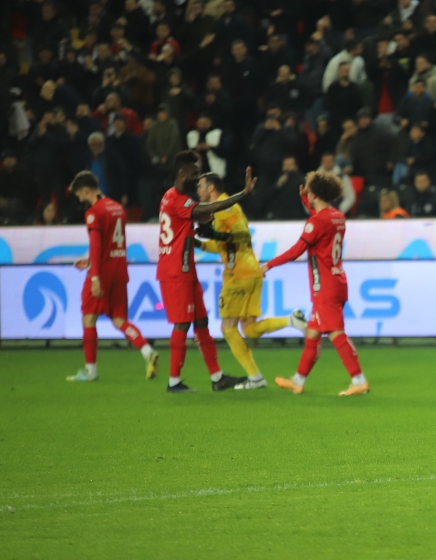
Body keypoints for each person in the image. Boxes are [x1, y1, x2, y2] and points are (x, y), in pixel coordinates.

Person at [195, 172, 307, 390]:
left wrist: (216, 235)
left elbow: (243, 235)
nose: (197, 190)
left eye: (200, 186)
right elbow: (225, 244)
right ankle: (292, 321)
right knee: (250, 329)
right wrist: (199, 244)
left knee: (228, 328)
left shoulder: (224, 207)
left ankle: (255, 378)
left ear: (211, 188)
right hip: (250, 271)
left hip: (239, 275)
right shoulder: (223, 209)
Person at [263, 171, 370, 397]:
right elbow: (319, 220)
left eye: (308, 190)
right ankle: (298, 381)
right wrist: (306, 200)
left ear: (314, 193)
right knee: (312, 334)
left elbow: (296, 251)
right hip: (337, 280)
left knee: (336, 334)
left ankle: (359, 380)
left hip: (325, 287)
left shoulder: (317, 221)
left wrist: (268, 265)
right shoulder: (338, 216)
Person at [157, 153, 254, 393]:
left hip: (186, 270)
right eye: (193, 172)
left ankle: (217, 377)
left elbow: (202, 215)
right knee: (182, 324)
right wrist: (241, 194)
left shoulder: (174, 199)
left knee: (201, 321)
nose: (196, 176)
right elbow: (209, 207)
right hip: (175, 272)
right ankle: (174, 381)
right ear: (181, 173)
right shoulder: (177, 199)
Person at [65, 171, 158, 383]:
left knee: (88, 318)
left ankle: (91, 372)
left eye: (79, 194)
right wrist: (89, 261)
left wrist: (95, 276)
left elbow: (97, 246)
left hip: (102, 272)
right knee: (119, 320)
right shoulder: (117, 208)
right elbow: (112, 243)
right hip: (119, 270)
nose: (79, 199)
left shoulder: (93, 212)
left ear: (86, 190)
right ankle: (147, 351)